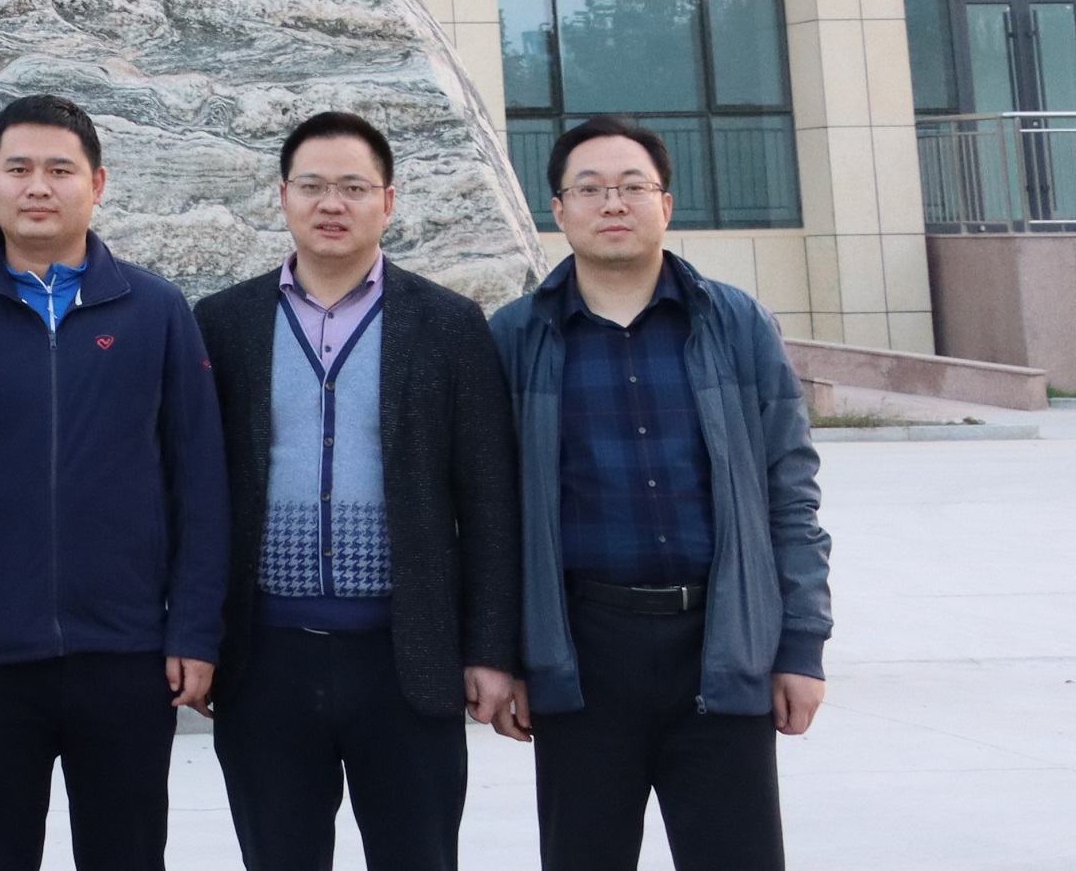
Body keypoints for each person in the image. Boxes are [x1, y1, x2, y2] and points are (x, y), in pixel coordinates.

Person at [0, 91, 227, 871]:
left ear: (97, 184)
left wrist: (193, 630)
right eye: (19, 169)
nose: (38, 187)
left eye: (59, 169)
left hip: (127, 655)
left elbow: (200, 484)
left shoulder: (155, 312)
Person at [489, 115, 830, 871]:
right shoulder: (515, 337)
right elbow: (491, 517)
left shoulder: (737, 325)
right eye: (590, 189)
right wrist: (503, 655)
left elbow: (790, 494)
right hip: (582, 651)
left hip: (720, 643)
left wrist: (801, 645)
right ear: (559, 210)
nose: (613, 203)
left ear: (665, 205)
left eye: (632, 186)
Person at [194, 111, 523, 871]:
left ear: (389, 201)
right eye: (312, 185)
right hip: (265, 662)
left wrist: (490, 650)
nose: (331, 204)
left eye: (353, 187)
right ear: (283, 196)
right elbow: (195, 494)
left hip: (407, 660)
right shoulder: (224, 323)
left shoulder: (448, 324)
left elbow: (490, 502)